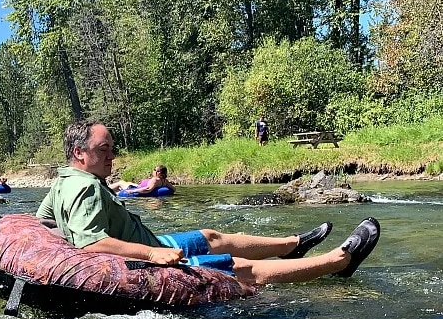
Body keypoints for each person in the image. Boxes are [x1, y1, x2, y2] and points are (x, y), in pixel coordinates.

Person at [36, 120, 380, 285]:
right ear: (79, 153)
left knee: (210, 235)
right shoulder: (86, 189)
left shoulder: (63, 180)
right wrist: (153, 255)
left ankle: (291, 245)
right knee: (242, 268)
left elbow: (45, 223)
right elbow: (91, 242)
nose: (112, 155)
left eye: (112, 148)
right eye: (103, 149)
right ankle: (338, 262)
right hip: (148, 260)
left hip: (150, 244)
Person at [109, 165, 175, 196]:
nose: (153, 171)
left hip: (136, 189)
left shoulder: (155, 180)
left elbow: (148, 189)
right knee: (127, 182)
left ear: (159, 173)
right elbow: (173, 189)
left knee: (120, 183)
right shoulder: (165, 181)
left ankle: (104, 188)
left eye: (155, 169)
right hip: (138, 186)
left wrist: (132, 191)